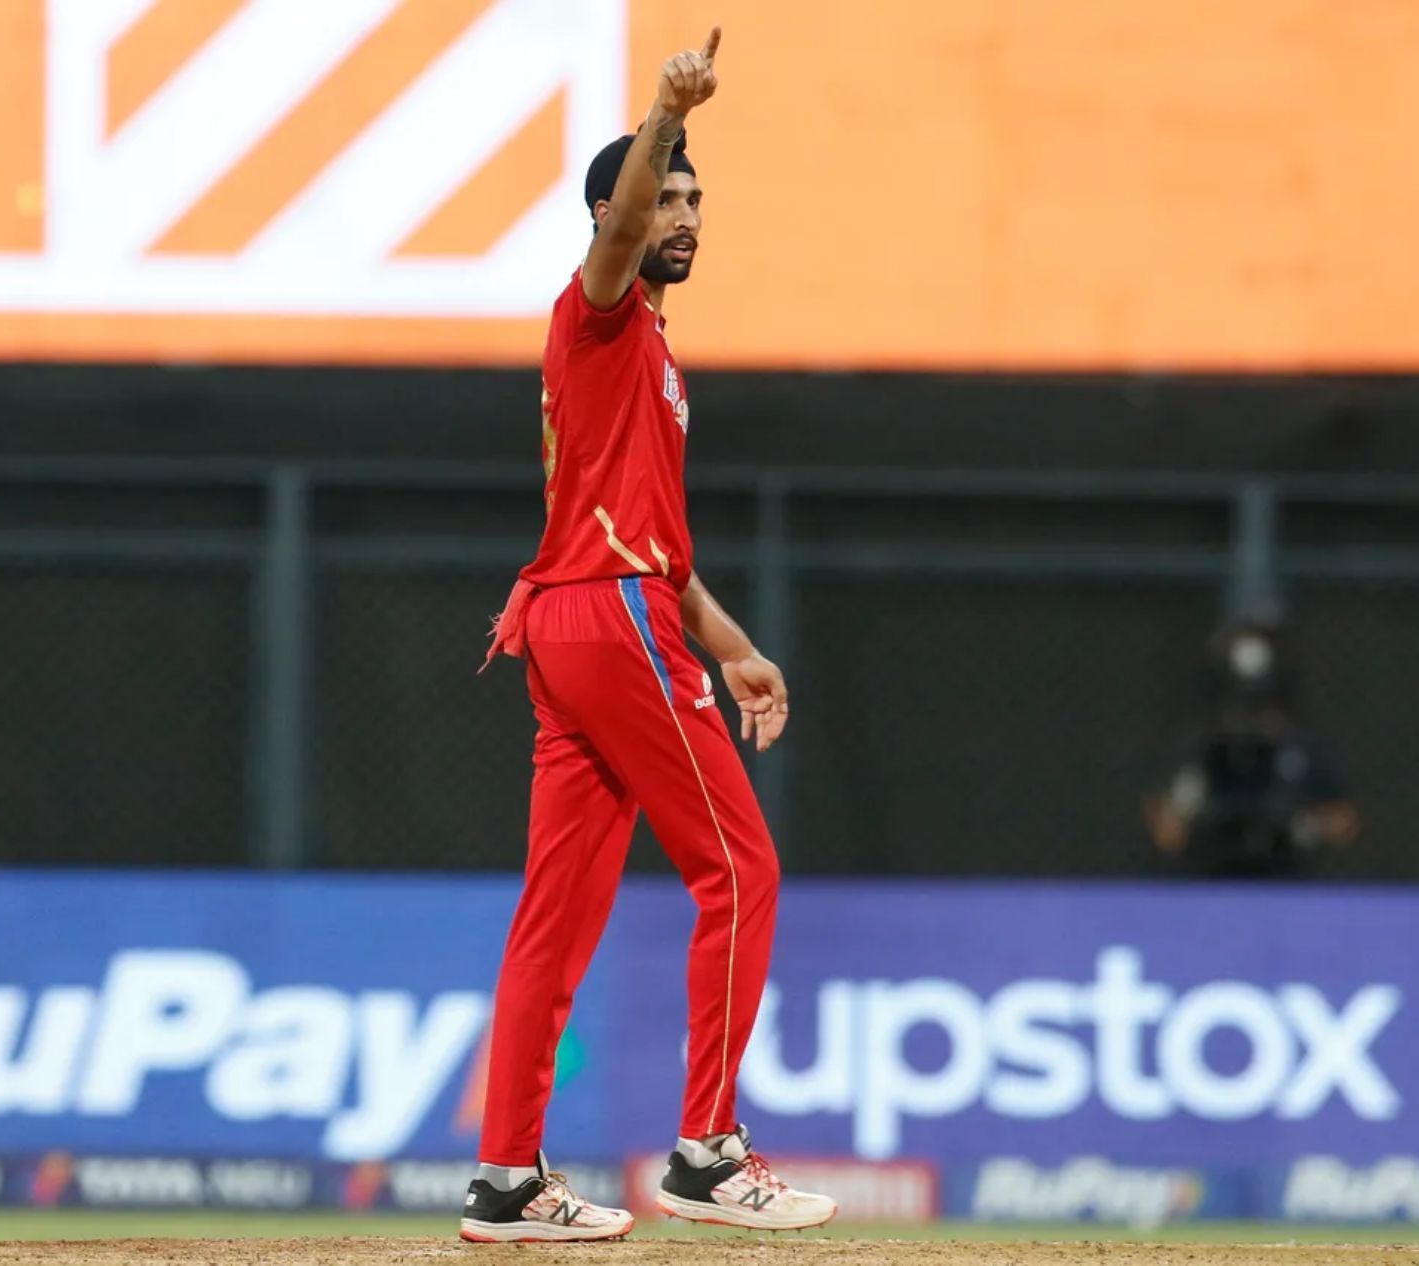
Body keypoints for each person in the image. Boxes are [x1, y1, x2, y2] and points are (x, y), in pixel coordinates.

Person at [461, 26, 836, 1245]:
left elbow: (647, 546)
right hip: (605, 621)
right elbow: (614, 239)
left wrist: (729, 644)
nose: (679, 213)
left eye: (691, 197)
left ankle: (507, 1180)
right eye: (661, 194)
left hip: (581, 618)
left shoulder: (652, 358)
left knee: (554, 918)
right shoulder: (598, 307)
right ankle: (707, 1152)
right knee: (740, 869)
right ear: (612, 213)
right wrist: (668, 111)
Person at [1144, 617, 1359, 879]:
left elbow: (1345, 823)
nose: (1247, 719)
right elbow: (1165, 831)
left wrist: (1303, 823)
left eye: (1258, 703)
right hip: (1208, 880)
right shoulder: (1200, 748)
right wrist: (1196, 812)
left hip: (1286, 879)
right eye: (1238, 702)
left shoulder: (1299, 748)